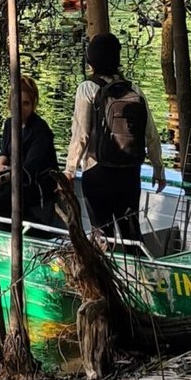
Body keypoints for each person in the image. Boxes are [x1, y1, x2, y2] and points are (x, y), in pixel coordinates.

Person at [64, 32, 165, 246]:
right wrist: (158, 169)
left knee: (102, 235)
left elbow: (81, 134)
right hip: (129, 173)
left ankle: (104, 266)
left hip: (97, 171)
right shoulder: (134, 90)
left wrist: (70, 170)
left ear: (91, 60)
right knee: (131, 234)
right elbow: (151, 135)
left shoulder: (87, 89)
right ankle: (137, 266)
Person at [0, 76, 61, 216]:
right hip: (11, 177)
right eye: (17, 103)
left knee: (3, 200)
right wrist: (1, 166)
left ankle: (29, 224)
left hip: (36, 184)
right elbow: (4, 154)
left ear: (33, 105)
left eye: (26, 103)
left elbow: (28, 170)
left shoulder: (41, 130)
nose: (21, 108)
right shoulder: (9, 124)